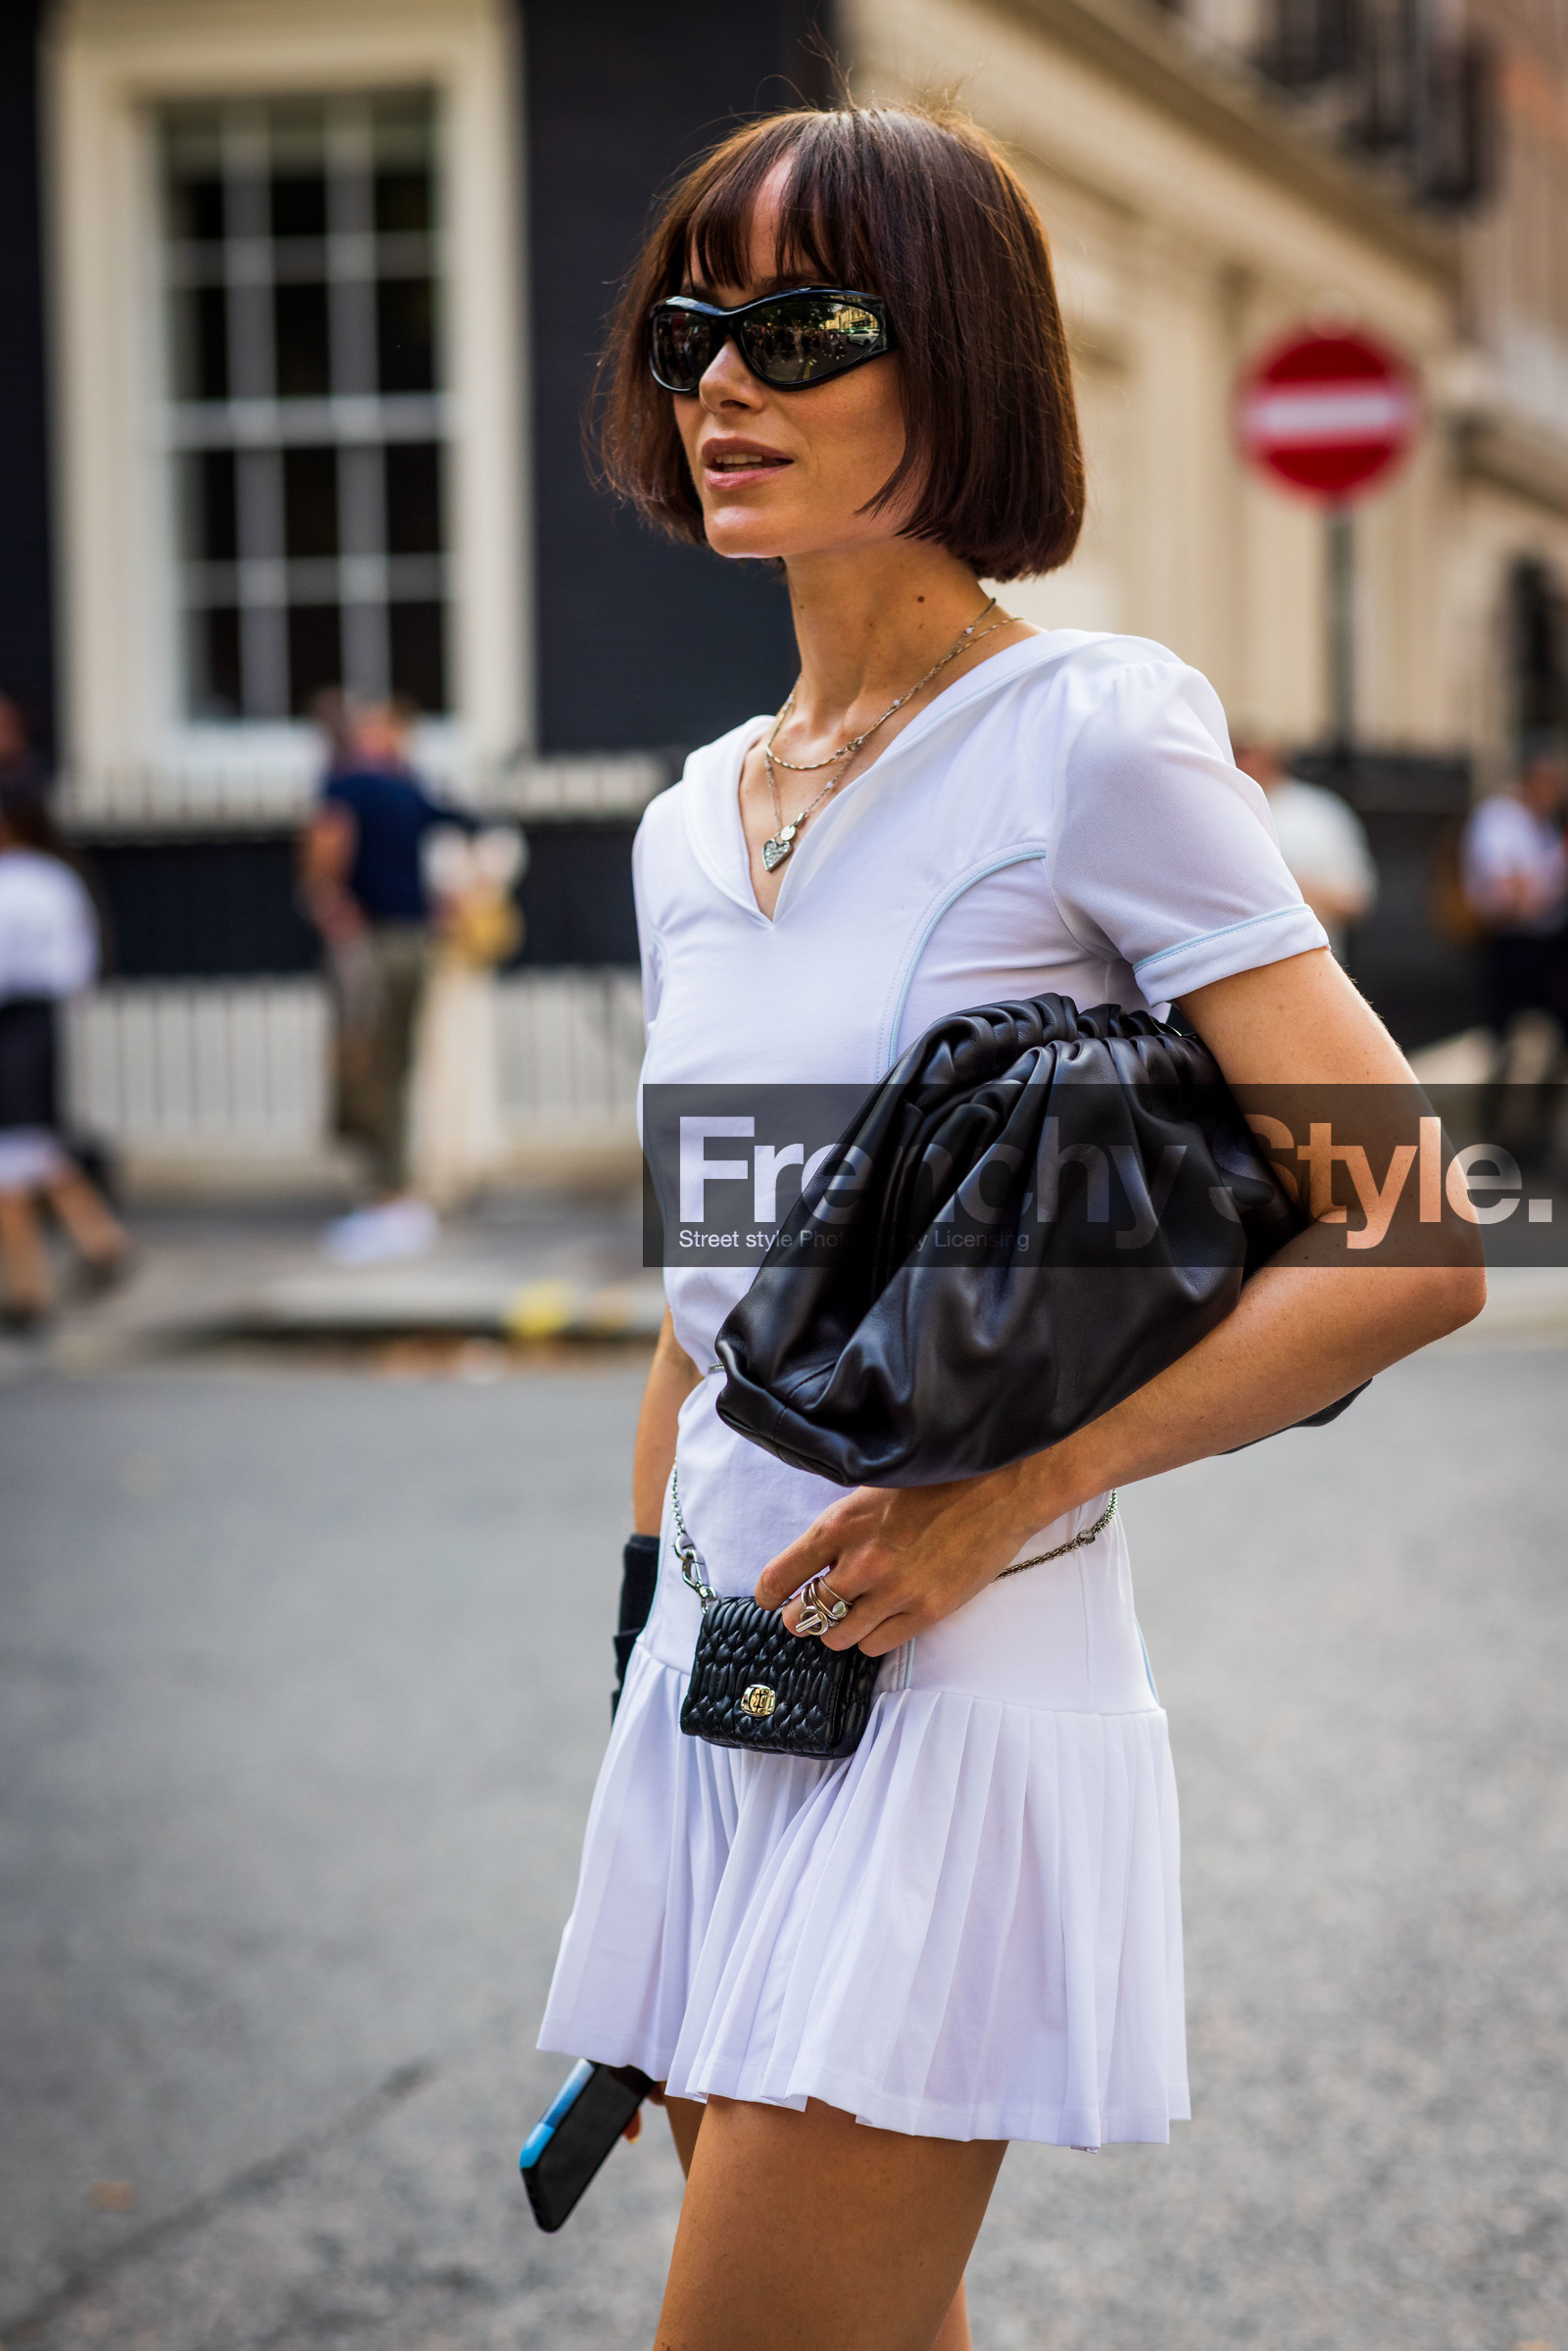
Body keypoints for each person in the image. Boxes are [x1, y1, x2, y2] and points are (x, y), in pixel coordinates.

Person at [535, 104, 1483, 2351]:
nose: (723, 382)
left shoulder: (1085, 740)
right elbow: (716, 1304)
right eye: (691, 327)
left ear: (951, 358)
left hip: (959, 1694)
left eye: (801, 323)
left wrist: (999, 1500)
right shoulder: (691, 820)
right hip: (721, 1689)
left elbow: (1416, 1232)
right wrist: (643, 1669)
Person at [299, 698, 473, 1264]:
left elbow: (326, 848)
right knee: (393, 1063)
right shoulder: (412, 789)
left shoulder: (347, 787)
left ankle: (387, 1193)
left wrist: (326, 903)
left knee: (366, 1062)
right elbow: (471, 829)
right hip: (416, 941)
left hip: (371, 945)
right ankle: (392, 1187)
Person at [0, 775, 131, 1327]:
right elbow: (79, 960)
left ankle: (30, 1291)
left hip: (13, 1019)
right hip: (43, 1019)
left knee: (11, 1154)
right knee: (31, 1145)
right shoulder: (57, 879)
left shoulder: (17, 882)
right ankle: (97, 1243)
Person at [1230, 715, 1378, 962]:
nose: (1246, 760)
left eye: (1253, 751)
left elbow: (1355, 898)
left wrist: (1286, 889)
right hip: (1235, 967)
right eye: (1238, 751)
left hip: (1310, 966)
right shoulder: (1218, 810)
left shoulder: (1318, 812)